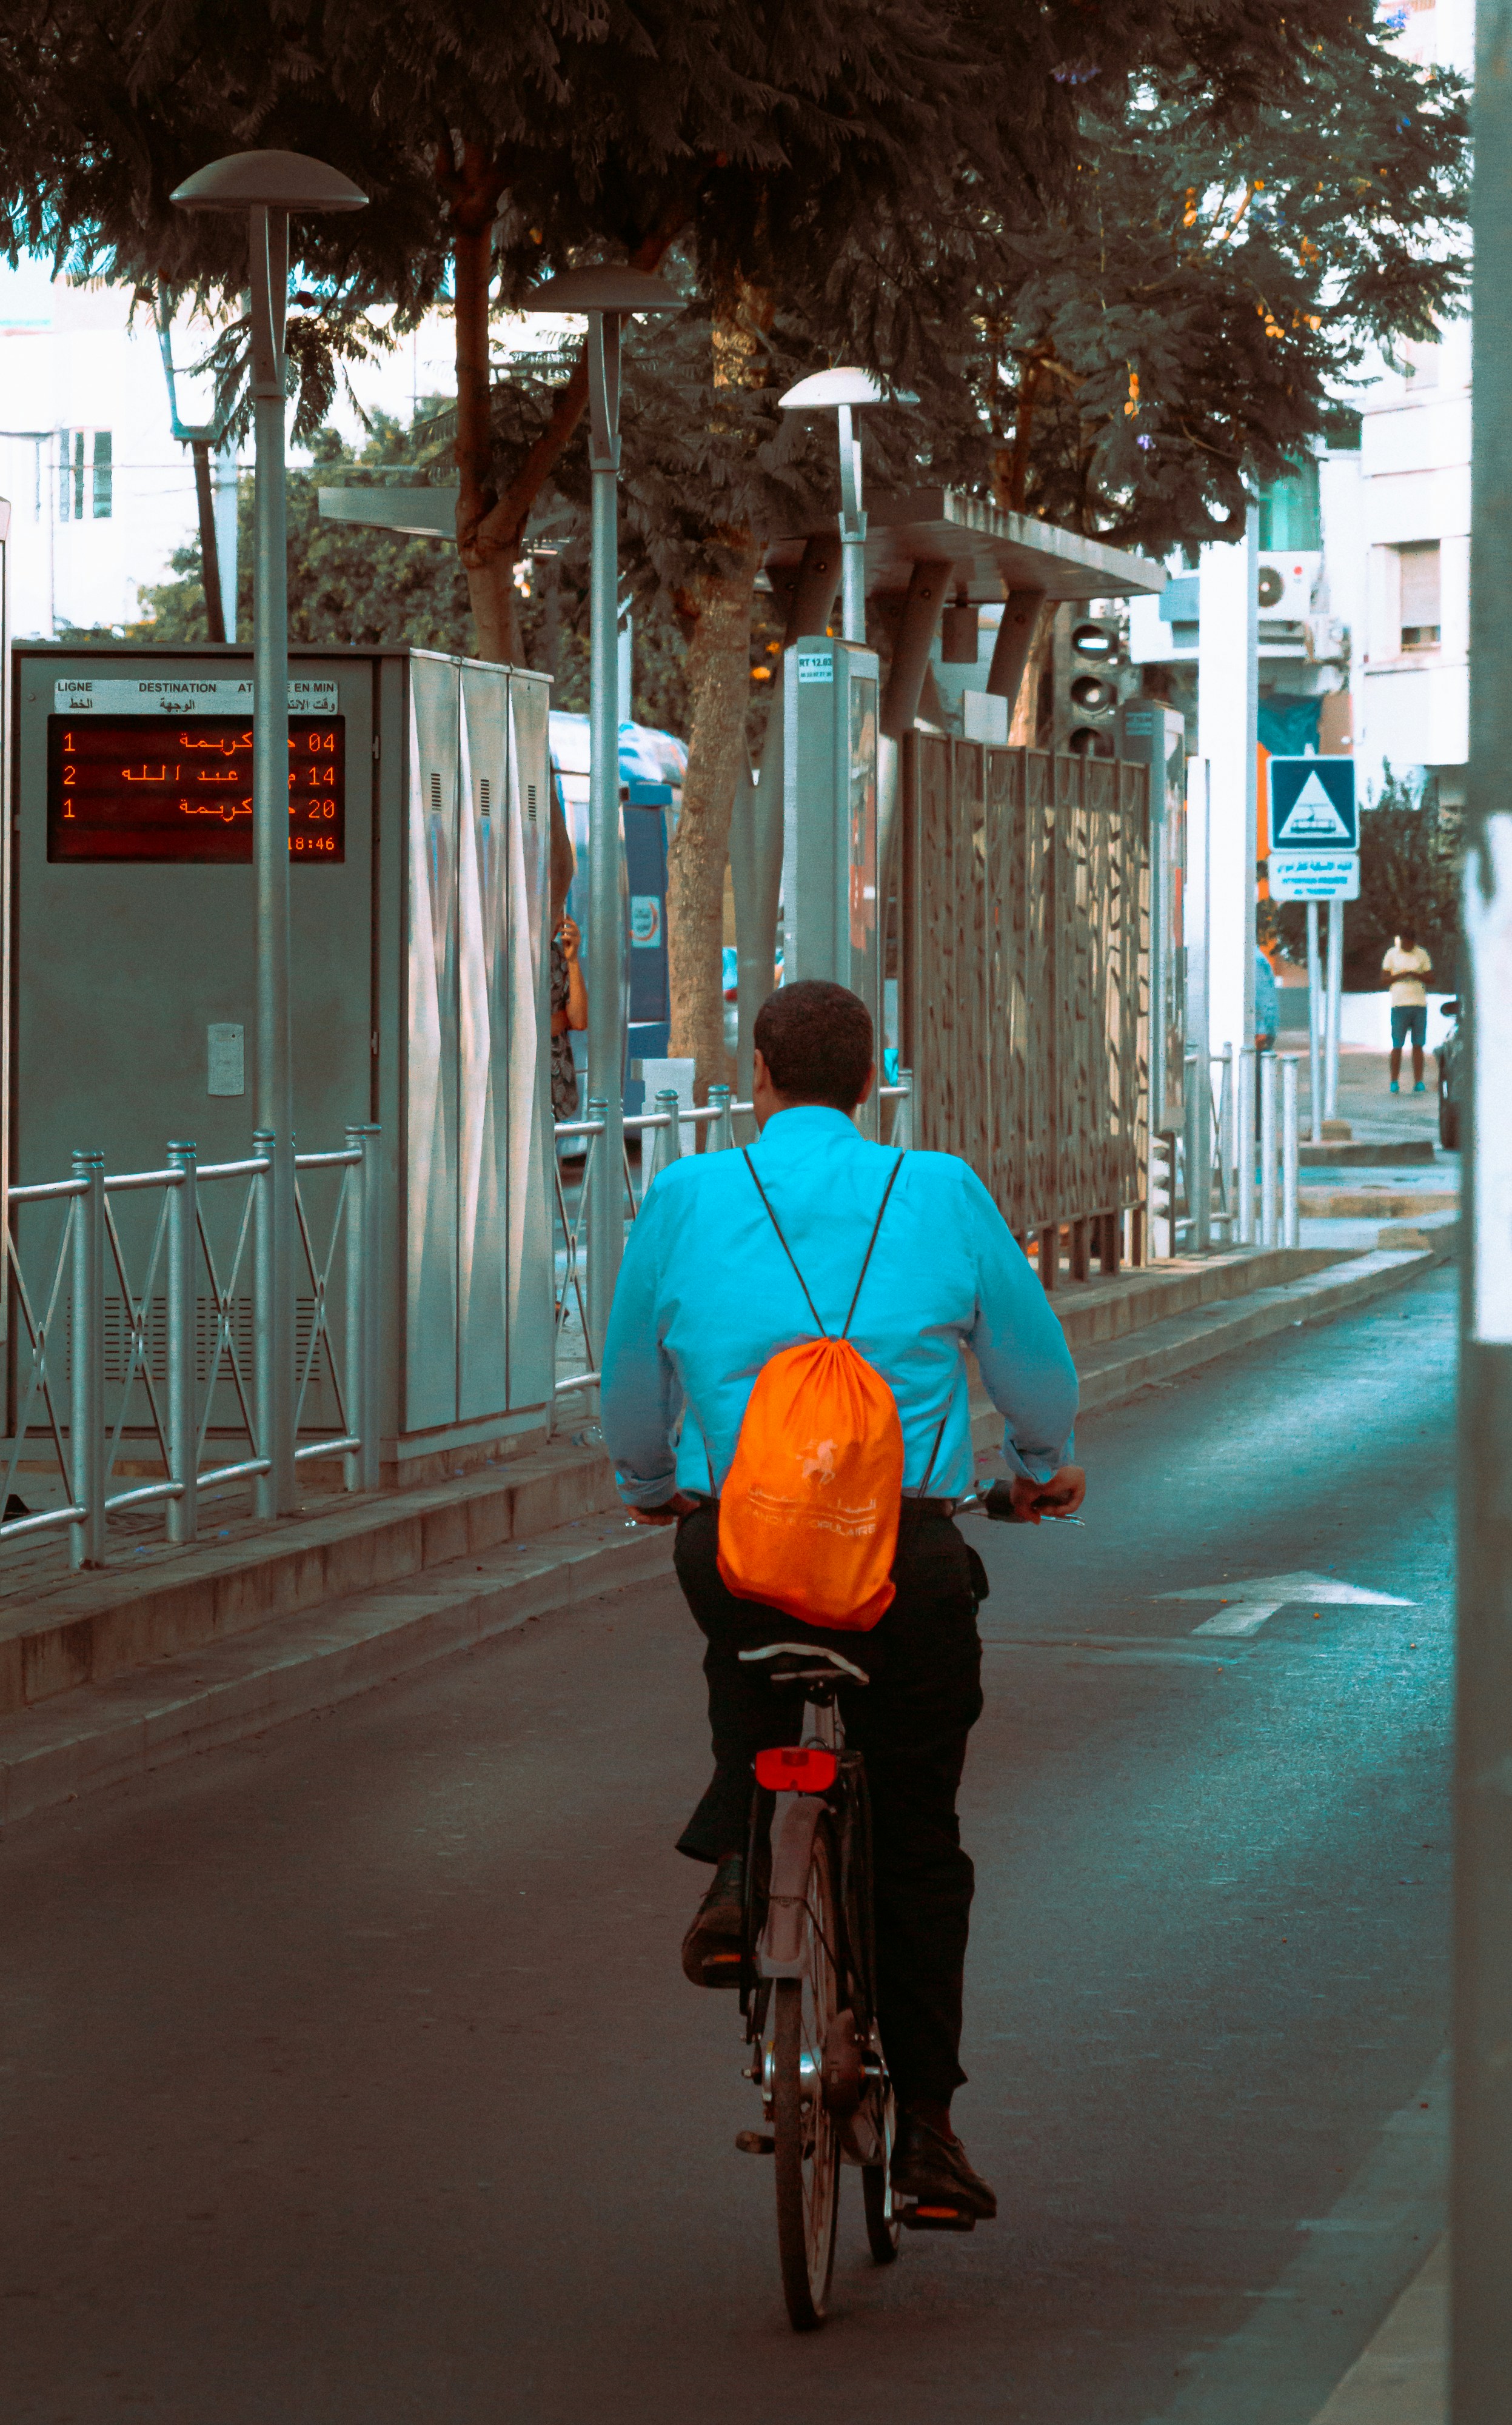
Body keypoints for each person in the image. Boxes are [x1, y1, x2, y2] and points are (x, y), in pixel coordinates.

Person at [600, 978, 1085, 2223]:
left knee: (750, 1649)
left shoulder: (686, 1192)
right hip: (904, 1563)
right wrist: (1037, 1471)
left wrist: (656, 1485)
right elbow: (1034, 1367)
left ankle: (736, 1864)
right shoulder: (938, 1189)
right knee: (917, 1839)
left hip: (736, 1550)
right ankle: (924, 2127)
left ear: (754, 1073)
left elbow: (626, 1376)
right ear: (868, 1081)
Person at [1382, 926, 1433, 1094]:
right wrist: (1401, 975)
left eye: (1410, 943)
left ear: (1414, 942)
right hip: (1399, 1005)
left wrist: (1415, 974)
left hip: (1419, 1004)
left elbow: (1431, 978)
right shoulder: (1392, 954)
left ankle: (1419, 1081)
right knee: (1397, 1045)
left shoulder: (1422, 954)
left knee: (1418, 1045)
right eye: (1404, 942)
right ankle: (1394, 1081)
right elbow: (1384, 979)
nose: (1407, 946)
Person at [550, 914, 587, 1123]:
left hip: (554, 1092)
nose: (558, 922)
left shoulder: (557, 954)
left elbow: (580, 1020)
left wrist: (572, 959)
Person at [1254, 945, 1279, 1054]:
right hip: (1259, 1032)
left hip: (1258, 1035)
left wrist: (1261, 1030)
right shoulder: (1256, 958)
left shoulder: (1254, 960)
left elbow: (1262, 997)